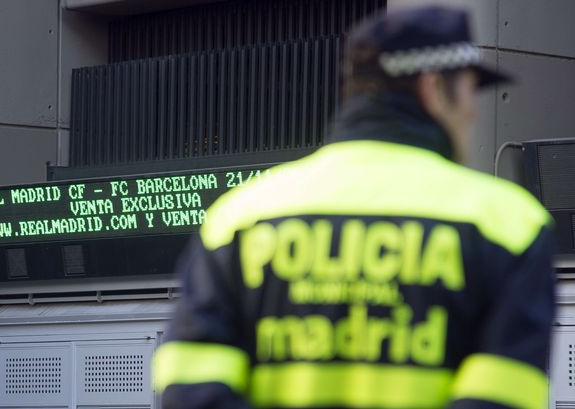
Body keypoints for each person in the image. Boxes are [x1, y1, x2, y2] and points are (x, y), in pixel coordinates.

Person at [153, 5, 555, 409]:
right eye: (469, 90)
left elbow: (191, 387)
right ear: (432, 88)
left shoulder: (239, 217)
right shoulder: (509, 224)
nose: (474, 110)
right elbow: (503, 398)